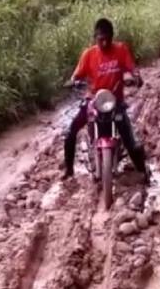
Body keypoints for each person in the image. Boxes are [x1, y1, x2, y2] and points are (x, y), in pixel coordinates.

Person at [63, 18, 149, 184]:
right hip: (94, 99)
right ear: (95, 37)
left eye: (107, 38)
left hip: (115, 101)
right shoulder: (88, 54)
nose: (104, 42)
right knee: (70, 131)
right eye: (100, 39)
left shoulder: (121, 50)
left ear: (112, 37)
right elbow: (77, 75)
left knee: (131, 140)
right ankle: (68, 170)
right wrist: (73, 80)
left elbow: (132, 68)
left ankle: (143, 172)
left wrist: (136, 77)